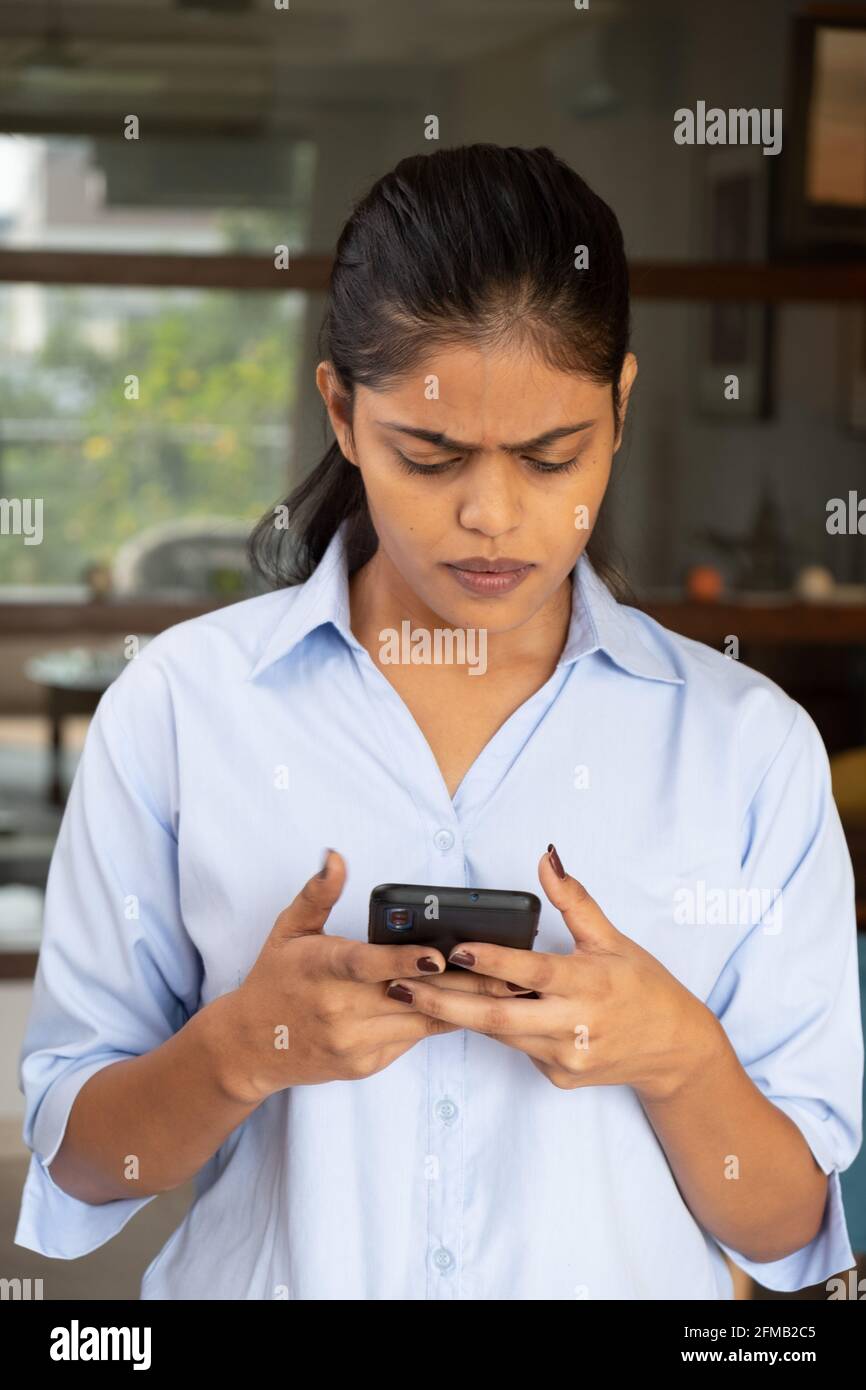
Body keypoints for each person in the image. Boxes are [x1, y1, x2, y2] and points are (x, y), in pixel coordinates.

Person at [15, 144, 863, 1300]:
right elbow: (82, 1160)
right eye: (429, 453)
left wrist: (673, 1052)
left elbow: (786, 1225)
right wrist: (237, 1048)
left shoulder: (746, 749)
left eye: (548, 454)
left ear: (617, 408)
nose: (489, 513)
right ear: (341, 414)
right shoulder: (177, 711)